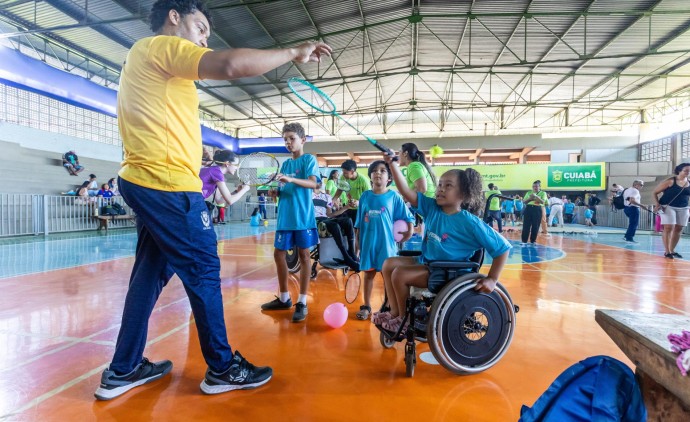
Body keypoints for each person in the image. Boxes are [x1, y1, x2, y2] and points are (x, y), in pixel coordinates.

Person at [96, 0, 331, 401]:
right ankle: (222, 368)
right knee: (204, 268)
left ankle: (123, 368)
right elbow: (230, 65)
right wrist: (294, 51)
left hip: (146, 180)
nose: (205, 39)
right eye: (201, 27)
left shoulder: (148, 61)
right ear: (174, 17)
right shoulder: (162, 46)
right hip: (167, 185)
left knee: (148, 276)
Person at [377, 153, 511, 332]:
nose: (441, 189)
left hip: (448, 271)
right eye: (440, 184)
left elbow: (502, 248)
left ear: (463, 194)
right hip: (428, 263)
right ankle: (394, 312)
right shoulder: (432, 208)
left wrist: (492, 279)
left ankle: (404, 320)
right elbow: (406, 192)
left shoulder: (470, 222)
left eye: (448, 186)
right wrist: (393, 165)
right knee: (388, 264)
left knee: (399, 274)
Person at [261, 123, 321, 322]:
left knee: (304, 255)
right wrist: (275, 192)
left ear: (302, 140)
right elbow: (284, 189)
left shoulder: (308, 160)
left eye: (292, 138)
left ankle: (302, 301)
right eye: (285, 139)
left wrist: (291, 180)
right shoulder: (285, 164)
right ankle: (284, 298)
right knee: (278, 254)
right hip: (285, 219)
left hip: (303, 218)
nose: (288, 142)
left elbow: (313, 184)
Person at [354, 160, 414, 320]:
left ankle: (388, 306)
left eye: (382, 170)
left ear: (389, 178)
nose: (378, 173)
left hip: (386, 245)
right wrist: (357, 241)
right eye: (374, 170)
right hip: (368, 243)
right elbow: (359, 221)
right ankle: (366, 306)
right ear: (370, 176)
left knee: (388, 276)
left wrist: (409, 230)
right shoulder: (365, 196)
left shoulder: (393, 196)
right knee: (368, 275)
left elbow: (407, 216)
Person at [312, 187, 359, 271]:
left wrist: (346, 207)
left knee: (348, 221)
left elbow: (330, 214)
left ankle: (351, 252)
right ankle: (346, 257)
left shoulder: (326, 197)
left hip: (326, 219)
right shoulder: (307, 195)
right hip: (315, 221)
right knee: (334, 225)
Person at [199, 149, 250, 225]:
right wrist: (245, 189)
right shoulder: (216, 173)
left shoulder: (214, 172)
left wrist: (237, 191)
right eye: (236, 165)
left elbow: (219, 201)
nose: (237, 168)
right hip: (188, 202)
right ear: (227, 163)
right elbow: (230, 201)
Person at [652, 163, 690, 259]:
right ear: (679, 170)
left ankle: (672, 250)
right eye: (686, 170)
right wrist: (657, 204)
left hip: (684, 207)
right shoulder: (670, 181)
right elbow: (655, 192)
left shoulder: (689, 182)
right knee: (669, 227)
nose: (688, 172)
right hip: (668, 206)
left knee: (679, 228)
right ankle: (667, 251)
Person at [333, 159, 371, 225]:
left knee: (359, 227)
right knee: (349, 226)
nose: (343, 174)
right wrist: (333, 200)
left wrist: (359, 202)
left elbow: (369, 197)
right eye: (343, 172)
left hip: (361, 209)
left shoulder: (364, 180)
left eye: (345, 173)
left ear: (352, 172)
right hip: (349, 207)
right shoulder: (343, 177)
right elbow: (340, 189)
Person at [522, 180, 547, 244]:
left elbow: (543, 202)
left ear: (540, 187)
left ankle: (533, 241)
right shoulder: (529, 192)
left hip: (537, 209)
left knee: (535, 226)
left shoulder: (543, 193)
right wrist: (530, 198)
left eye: (536, 186)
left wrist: (536, 197)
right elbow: (524, 201)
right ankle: (524, 241)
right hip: (528, 208)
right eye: (533, 186)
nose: (535, 188)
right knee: (526, 225)